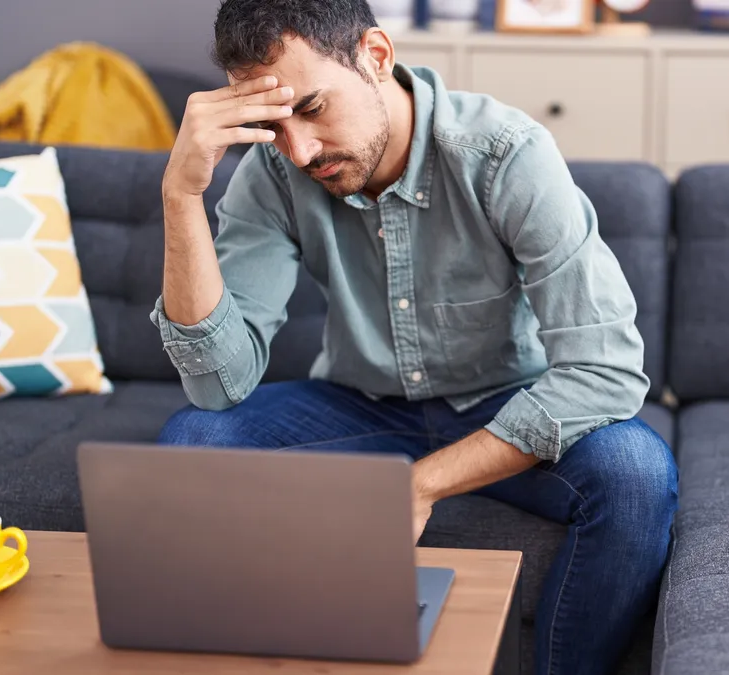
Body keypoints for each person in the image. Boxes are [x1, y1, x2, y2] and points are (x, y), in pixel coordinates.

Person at [150, 1, 678, 673]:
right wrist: (182, 193)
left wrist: (420, 484)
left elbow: (605, 369)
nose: (300, 151)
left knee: (634, 473)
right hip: (359, 406)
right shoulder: (276, 174)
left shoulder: (504, 156)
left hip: (504, 402)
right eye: (272, 127)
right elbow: (216, 385)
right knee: (193, 443)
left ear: (375, 55)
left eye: (311, 108)